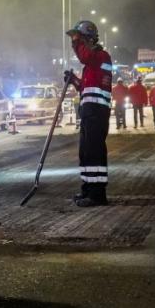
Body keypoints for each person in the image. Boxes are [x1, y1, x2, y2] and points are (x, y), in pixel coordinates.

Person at [65, 20, 113, 207]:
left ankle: (97, 195)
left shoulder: (101, 56)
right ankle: (87, 189)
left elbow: (85, 57)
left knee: (94, 152)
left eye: (81, 40)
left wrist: (76, 42)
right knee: (85, 153)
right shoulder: (92, 63)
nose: (77, 45)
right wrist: (74, 81)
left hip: (96, 112)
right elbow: (85, 88)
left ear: (90, 39)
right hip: (89, 111)